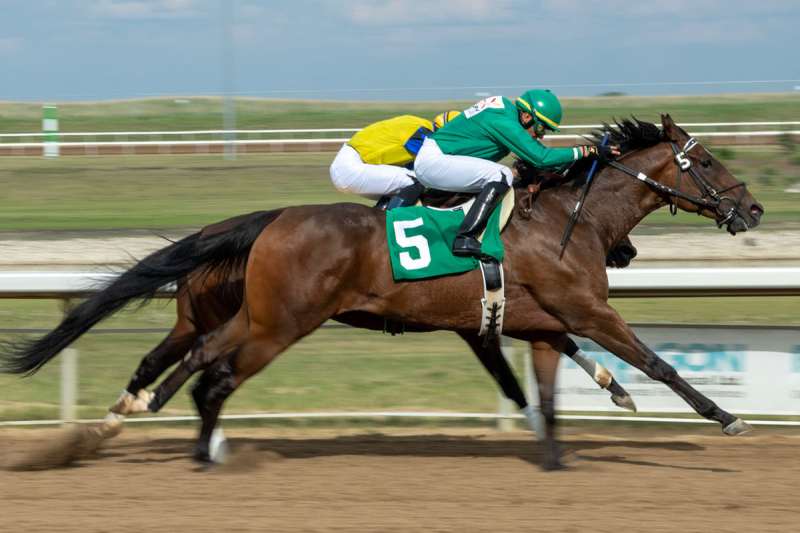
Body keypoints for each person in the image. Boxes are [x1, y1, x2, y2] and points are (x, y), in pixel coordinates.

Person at [414, 90, 620, 257]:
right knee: (502, 174)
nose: (540, 134)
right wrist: (586, 151)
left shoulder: (505, 112)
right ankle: (465, 238)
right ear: (527, 116)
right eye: (541, 127)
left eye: (545, 131)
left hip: (442, 158)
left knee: (506, 175)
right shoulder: (504, 120)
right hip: (434, 161)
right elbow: (541, 157)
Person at [329, 111, 461, 209]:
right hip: (351, 167)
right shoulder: (423, 131)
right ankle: (388, 226)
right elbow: (441, 164)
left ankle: (381, 214)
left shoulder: (419, 125)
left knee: (405, 189)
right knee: (414, 183)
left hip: (349, 164)